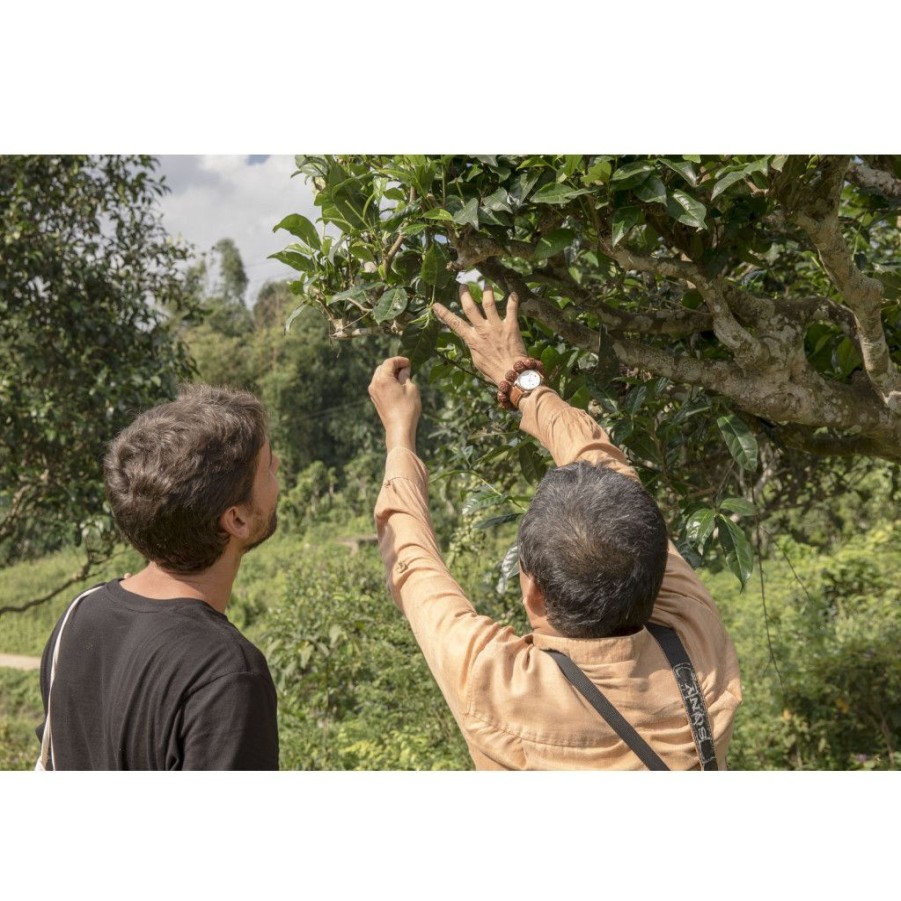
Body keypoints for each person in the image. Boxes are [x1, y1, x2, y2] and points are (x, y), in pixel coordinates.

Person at [368, 286, 742, 770]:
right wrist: (522, 379)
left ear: (534, 594)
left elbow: (414, 564)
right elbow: (606, 467)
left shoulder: (500, 689)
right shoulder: (696, 646)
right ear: (656, 563)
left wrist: (400, 429)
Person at [36, 384, 280, 770]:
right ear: (237, 519)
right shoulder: (227, 674)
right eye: (267, 466)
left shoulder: (80, 614)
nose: (278, 466)